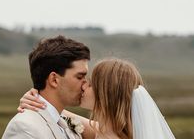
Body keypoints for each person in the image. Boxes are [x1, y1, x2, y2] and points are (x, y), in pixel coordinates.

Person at [17, 57, 176, 139]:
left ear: (106, 94)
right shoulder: (108, 131)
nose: (84, 85)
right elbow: (59, 113)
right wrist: (37, 99)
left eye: (91, 84)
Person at [2, 35, 91, 139]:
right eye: (80, 77)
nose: (85, 85)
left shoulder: (66, 122)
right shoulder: (24, 127)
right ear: (54, 80)